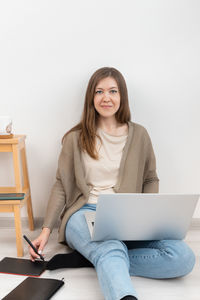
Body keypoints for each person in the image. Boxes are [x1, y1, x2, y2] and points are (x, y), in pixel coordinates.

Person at [29, 67, 195, 300]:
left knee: (182, 257)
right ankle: (119, 285)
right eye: (99, 91)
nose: (106, 97)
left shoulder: (140, 135)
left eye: (113, 91)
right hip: (83, 213)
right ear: (91, 98)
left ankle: (95, 259)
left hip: (126, 215)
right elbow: (60, 185)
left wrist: (146, 216)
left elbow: (150, 178)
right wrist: (45, 231)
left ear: (122, 96)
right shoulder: (75, 138)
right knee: (111, 247)